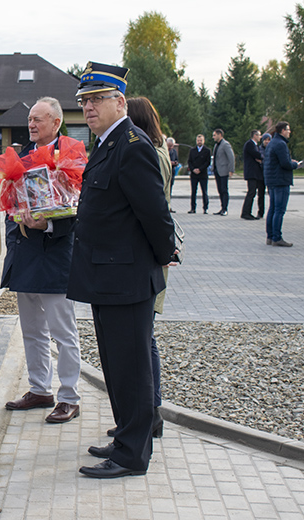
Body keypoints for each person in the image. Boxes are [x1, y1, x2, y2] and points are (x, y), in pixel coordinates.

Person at [67, 62, 176, 479]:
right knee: (116, 365)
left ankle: (132, 455)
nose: (88, 108)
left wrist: (163, 255)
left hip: (127, 278)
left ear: (119, 102)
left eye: (96, 100)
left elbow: (155, 214)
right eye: (84, 101)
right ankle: (127, 434)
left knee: (131, 368)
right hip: (107, 276)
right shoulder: (108, 143)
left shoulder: (132, 145)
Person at [1, 97, 81, 424]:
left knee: (63, 332)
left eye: (39, 120)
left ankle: (69, 397)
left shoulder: (73, 155)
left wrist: (47, 223)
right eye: (30, 119)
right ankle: (39, 388)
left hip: (56, 254)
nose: (32, 125)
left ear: (56, 123)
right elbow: (10, 201)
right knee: (32, 329)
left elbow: (79, 207)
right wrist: (17, 217)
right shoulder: (22, 158)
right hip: (26, 253)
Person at [119, 96, 172, 439]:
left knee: (144, 338)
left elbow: (152, 209)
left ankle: (151, 412)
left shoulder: (146, 152)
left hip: (148, 255)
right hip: (154, 253)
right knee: (145, 336)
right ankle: (148, 413)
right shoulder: (158, 149)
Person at [264, 121, 301, 247]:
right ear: (282, 131)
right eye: (288, 129)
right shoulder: (281, 144)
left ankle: (270, 236)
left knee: (273, 209)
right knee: (279, 210)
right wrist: (295, 164)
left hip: (272, 180)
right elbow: (285, 164)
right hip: (281, 180)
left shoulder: (272, 143)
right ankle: (277, 237)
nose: (289, 132)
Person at [241, 130, 264, 220]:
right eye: (259, 135)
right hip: (252, 173)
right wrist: (262, 157)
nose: (260, 137)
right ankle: (246, 212)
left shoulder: (255, 145)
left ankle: (247, 212)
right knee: (251, 192)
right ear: (254, 135)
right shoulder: (250, 144)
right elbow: (256, 154)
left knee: (253, 192)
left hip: (256, 173)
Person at [211, 129, 235, 216]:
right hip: (217, 171)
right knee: (220, 190)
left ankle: (225, 209)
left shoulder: (225, 144)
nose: (213, 137)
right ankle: (222, 208)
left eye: (214, 135)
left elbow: (231, 157)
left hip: (224, 171)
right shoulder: (216, 145)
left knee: (224, 190)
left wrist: (231, 170)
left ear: (219, 134)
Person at [187, 134, 211, 214]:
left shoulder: (207, 150)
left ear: (203, 141)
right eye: (198, 140)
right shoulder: (192, 150)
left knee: (204, 191)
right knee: (193, 191)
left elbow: (208, 162)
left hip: (203, 174)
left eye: (201, 140)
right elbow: (189, 161)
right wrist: (193, 169)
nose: (199, 142)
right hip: (194, 174)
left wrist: (200, 169)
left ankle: (205, 208)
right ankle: (193, 208)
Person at [166, 137, 179, 209]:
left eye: (172, 146)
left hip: (172, 172)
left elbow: (177, 160)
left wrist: (175, 163)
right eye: (169, 145)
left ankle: (169, 206)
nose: (170, 147)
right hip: (166, 171)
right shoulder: (164, 151)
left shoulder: (174, 152)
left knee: (170, 189)